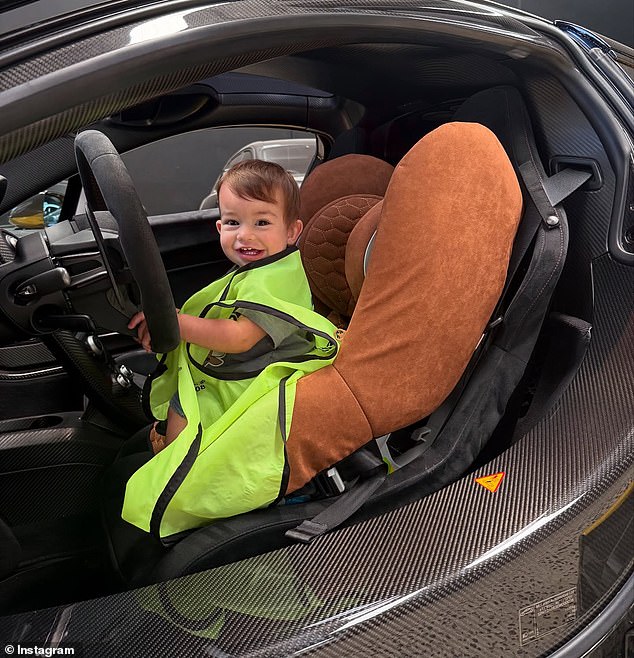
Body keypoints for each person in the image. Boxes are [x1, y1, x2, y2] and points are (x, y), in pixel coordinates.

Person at [122, 159, 339, 538]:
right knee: (184, 398)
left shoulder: (279, 279)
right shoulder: (257, 271)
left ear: (292, 231)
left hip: (261, 385)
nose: (246, 236)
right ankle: (175, 451)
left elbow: (240, 337)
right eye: (234, 223)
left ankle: (183, 469)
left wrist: (179, 325)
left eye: (262, 222)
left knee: (186, 406)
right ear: (219, 227)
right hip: (237, 370)